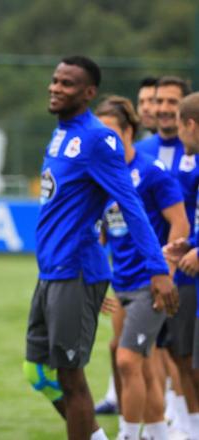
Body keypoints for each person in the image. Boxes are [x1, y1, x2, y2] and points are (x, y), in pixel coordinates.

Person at [24, 55, 176, 440]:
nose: (56, 87)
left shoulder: (98, 138)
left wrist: (158, 269)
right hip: (52, 271)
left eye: (68, 83)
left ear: (89, 93)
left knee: (71, 378)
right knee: (39, 372)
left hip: (76, 271)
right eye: (55, 80)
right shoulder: (61, 133)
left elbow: (131, 205)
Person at [96, 95, 188, 440]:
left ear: (129, 131)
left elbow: (179, 224)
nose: (103, 141)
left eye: (110, 133)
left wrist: (164, 270)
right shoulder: (102, 176)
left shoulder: (152, 172)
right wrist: (97, 277)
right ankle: (157, 434)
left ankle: (127, 433)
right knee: (142, 367)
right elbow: (104, 233)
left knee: (126, 361)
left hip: (149, 285)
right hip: (120, 283)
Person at [136, 76, 199, 436]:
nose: (161, 109)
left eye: (170, 102)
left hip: (185, 271)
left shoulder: (191, 152)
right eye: (157, 101)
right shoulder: (142, 151)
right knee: (157, 350)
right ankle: (170, 421)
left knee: (185, 357)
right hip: (154, 268)